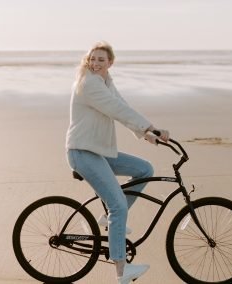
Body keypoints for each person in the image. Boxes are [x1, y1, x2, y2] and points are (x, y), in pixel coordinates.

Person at [66, 41, 169, 284]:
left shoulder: (106, 82)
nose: (95, 63)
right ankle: (122, 272)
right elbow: (116, 110)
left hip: (98, 151)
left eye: (101, 59)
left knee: (144, 169)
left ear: (110, 63)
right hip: (82, 152)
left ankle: (109, 221)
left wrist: (147, 134)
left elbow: (123, 106)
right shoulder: (89, 84)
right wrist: (150, 127)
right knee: (118, 205)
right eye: (92, 59)